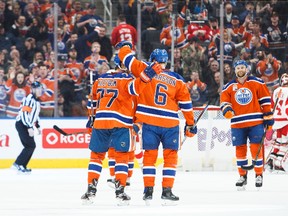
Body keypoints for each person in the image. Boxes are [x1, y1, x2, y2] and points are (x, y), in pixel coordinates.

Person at [118, 42, 197, 205]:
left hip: (148, 122)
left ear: (152, 59)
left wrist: (126, 46)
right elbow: (186, 105)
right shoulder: (177, 79)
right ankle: (167, 191)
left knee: (149, 157)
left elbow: (125, 58)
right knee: (170, 158)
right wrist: (190, 124)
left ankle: (148, 192)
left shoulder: (143, 69)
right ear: (166, 62)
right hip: (170, 123)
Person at [80, 50, 162, 206]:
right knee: (122, 157)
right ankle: (120, 192)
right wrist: (147, 75)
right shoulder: (127, 80)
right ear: (125, 64)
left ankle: (90, 190)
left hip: (101, 122)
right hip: (121, 123)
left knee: (96, 157)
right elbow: (136, 88)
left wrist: (91, 119)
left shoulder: (100, 80)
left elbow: (93, 102)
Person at [220, 60, 273, 190]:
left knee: (256, 149)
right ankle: (242, 176)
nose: (240, 69)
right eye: (238, 68)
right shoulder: (228, 87)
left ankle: (259, 175)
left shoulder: (257, 82)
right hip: (238, 123)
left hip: (256, 122)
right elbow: (224, 102)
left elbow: (265, 100)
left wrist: (268, 117)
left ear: (247, 68)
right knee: (240, 150)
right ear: (235, 70)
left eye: (242, 67)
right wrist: (227, 110)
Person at [11, 81, 43, 173]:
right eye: (37, 89)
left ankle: (22, 165)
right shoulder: (29, 99)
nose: (39, 91)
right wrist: (29, 127)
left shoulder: (37, 101)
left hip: (26, 124)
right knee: (30, 145)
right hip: (22, 124)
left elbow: (35, 115)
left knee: (31, 146)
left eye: (40, 89)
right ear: (33, 90)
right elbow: (24, 113)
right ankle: (18, 163)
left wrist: (37, 126)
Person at [265, 73, 288, 173]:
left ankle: (271, 161)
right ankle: (279, 165)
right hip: (286, 120)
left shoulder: (276, 91)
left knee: (278, 141)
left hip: (277, 120)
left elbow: (272, 106)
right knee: (284, 143)